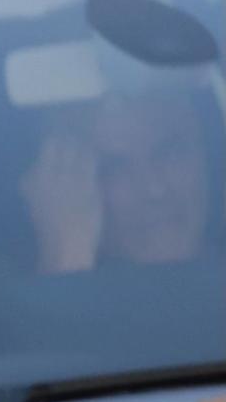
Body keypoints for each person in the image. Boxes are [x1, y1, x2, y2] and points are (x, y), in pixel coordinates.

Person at [21, 90, 213, 274]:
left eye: (170, 154)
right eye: (114, 168)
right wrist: (66, 254)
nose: (154, 190)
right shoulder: (2, 302)